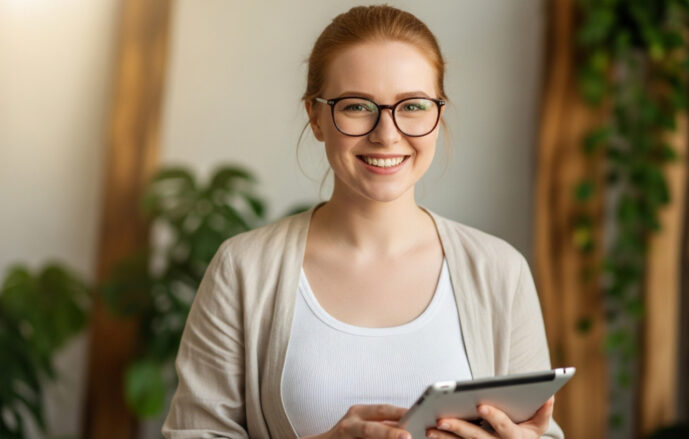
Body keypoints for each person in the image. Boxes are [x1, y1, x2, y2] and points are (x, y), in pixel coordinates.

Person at [162, 5, 564, 439]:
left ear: (438, 116)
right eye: (356, 106)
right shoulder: (243, 269)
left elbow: (540, 432)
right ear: (315, 117)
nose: (386, 134)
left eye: (412, 105)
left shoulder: (500, 271)